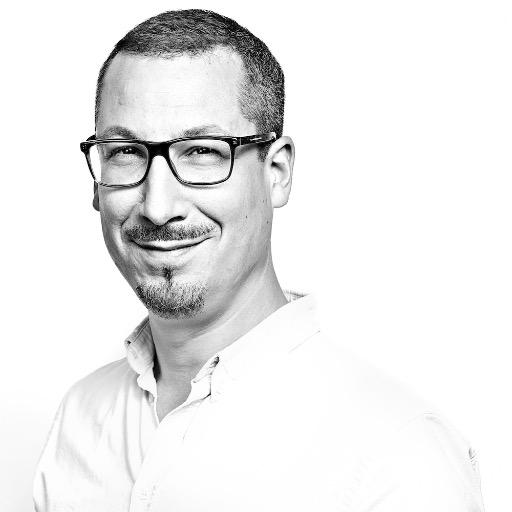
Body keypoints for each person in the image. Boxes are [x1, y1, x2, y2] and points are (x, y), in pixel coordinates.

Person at [33, 9, 485, 512]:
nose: (158, 207)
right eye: (125, 152)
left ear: (277, 172)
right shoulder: (81, 416)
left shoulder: (398, 457)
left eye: (202, 152)